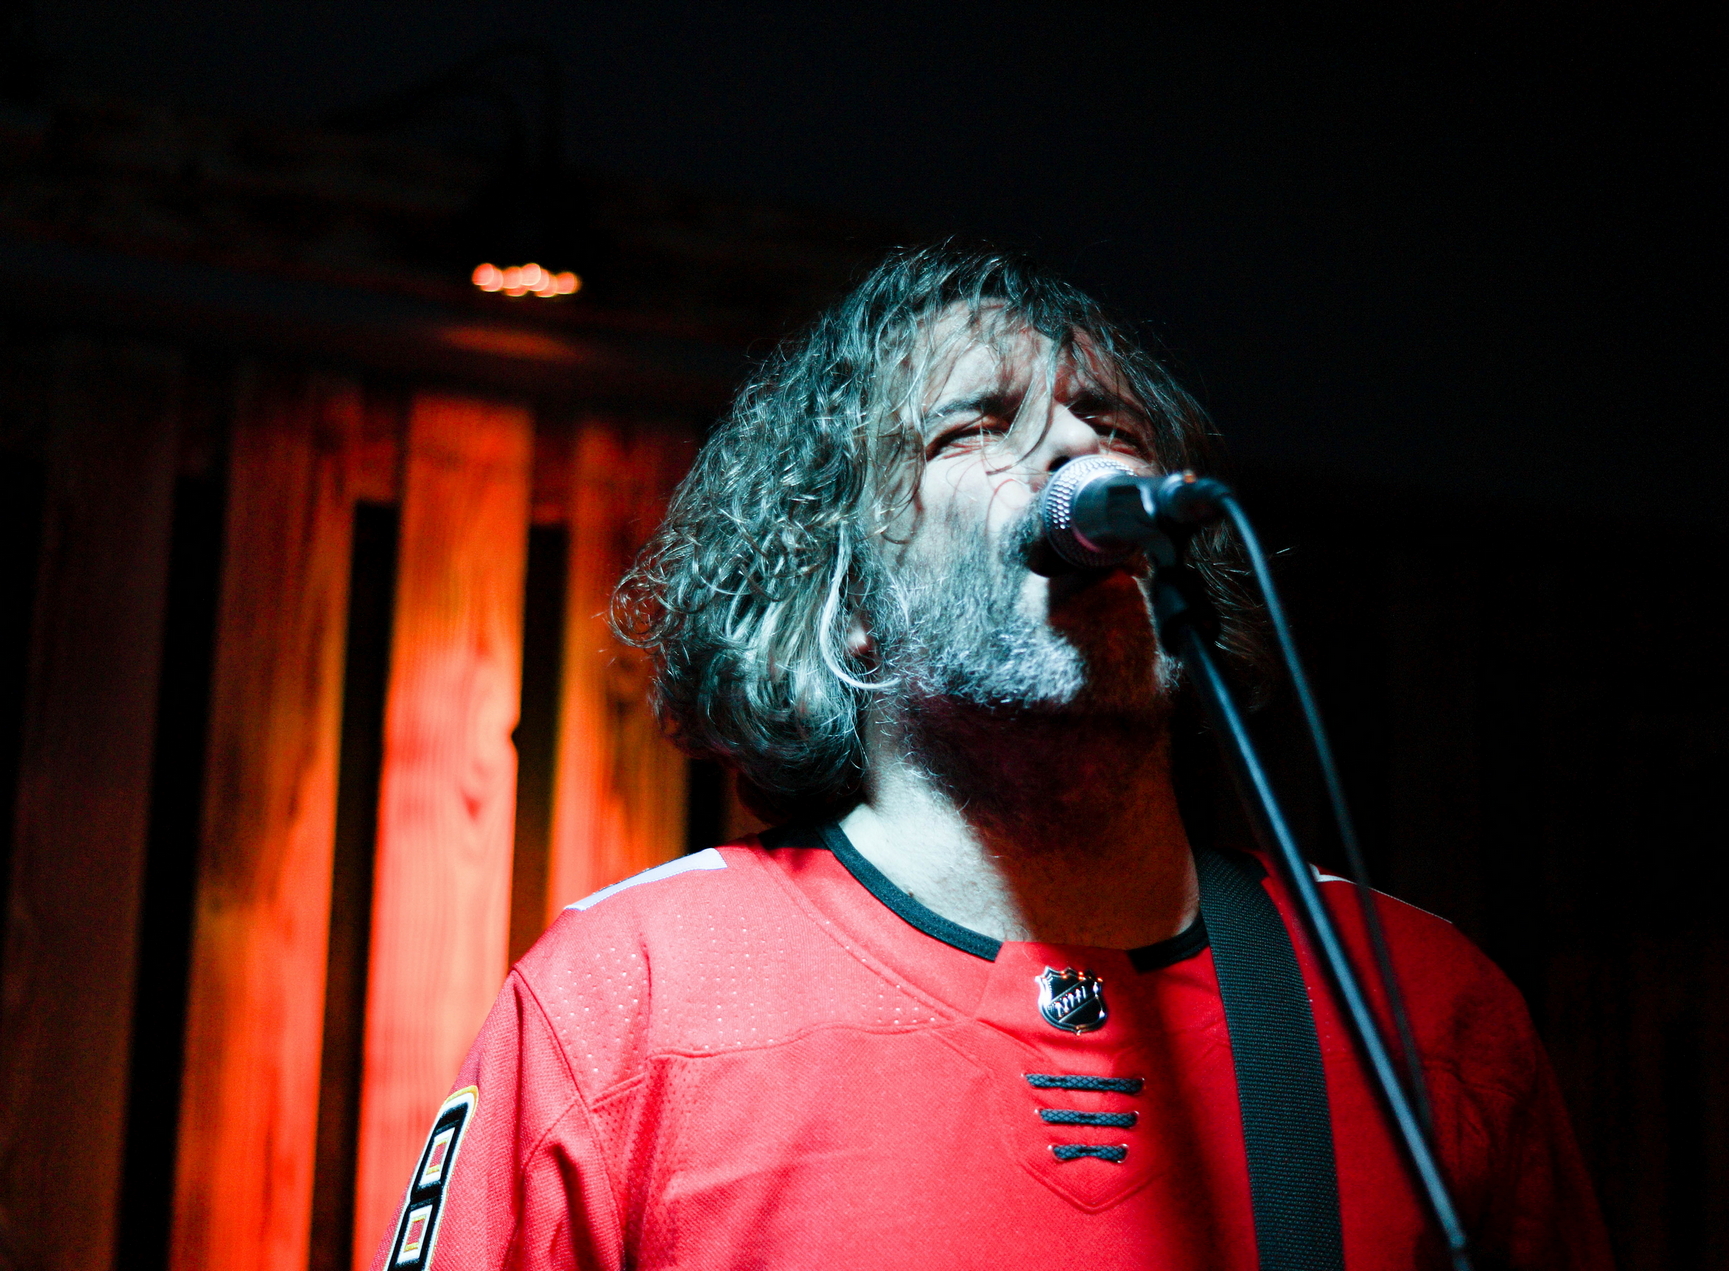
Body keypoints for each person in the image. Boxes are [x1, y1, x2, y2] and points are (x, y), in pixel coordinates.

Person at [373, 246, 1614, 1270]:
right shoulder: (627, 998)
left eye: (1111, 423)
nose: (1083, 454)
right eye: (975, 426)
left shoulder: (1422, 1006)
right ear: (848, 596)